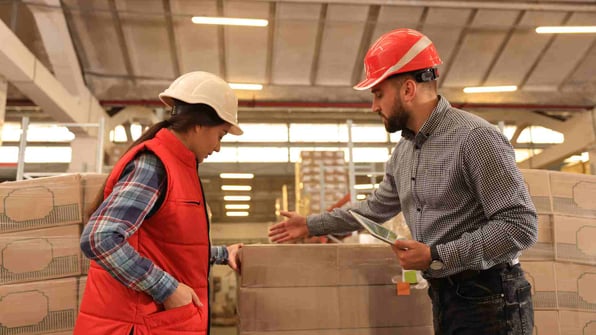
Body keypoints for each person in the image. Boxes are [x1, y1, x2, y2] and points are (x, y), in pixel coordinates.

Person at [268, 28, 537, 335]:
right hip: (445, 294)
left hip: (491, 298)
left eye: (378, 94)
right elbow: (372, 211)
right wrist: (311, 224)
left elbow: (520, 225)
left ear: (408, 89)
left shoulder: (475, 138)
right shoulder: (404, 153)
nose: (373, 106)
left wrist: (437, 255)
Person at [75, 71, 244, 335]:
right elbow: (100, 237)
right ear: (199, 124)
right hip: (137, 325)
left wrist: (224, 253)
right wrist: (167, 288)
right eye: (220, 135)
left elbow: (170, 246)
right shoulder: (154, 166)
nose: (218, 147)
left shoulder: (179, 166)